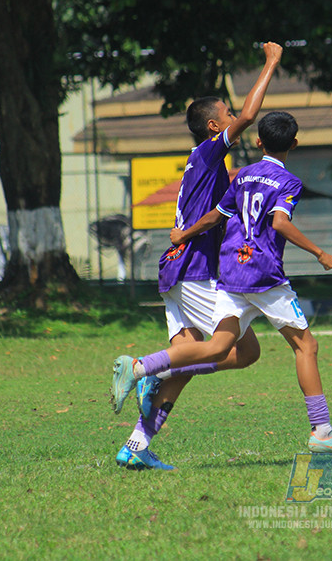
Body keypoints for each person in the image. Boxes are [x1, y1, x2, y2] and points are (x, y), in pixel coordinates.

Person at [112, 111, 332, 455]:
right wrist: (319, 252)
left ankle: (142, 367)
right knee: (306, 347)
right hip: (263, 276)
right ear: (293, 144)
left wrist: (183, 233)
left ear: (258, 142)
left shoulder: (243, 176)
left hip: (230, 273)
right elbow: (279, 223)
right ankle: (321, 429)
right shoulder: (289, 182)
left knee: (220, 347)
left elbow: (217, 215)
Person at [111, 41, 282, 471]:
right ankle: (142, 367)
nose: (233, 117)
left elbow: (217, 213)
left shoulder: (205, 165)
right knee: (244, 353)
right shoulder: (208, 152)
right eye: (224, 114)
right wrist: (271, 63)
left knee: (186, 364)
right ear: (212, 127)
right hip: (195, 270)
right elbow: (248, 116)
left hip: (175, 270)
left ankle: (134, 447)